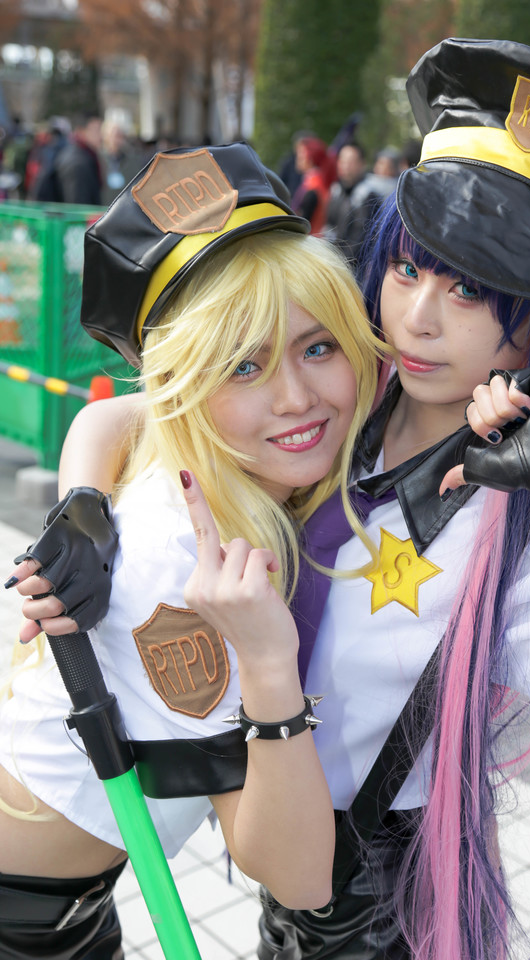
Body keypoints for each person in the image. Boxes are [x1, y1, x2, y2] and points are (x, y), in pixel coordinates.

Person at [9, 39, 530, 959]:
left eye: (472, 289)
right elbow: (145, 411)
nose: (419, 317)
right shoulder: (340, 390)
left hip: (377, 907)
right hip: (267, 875)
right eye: (408, 268)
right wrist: (82, 504)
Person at [0, 141, 382, 960]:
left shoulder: (210, 460)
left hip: (59, 900)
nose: (296, 397)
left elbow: (115, 415)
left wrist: (82, 501)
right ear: (189, 386)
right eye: (243, 366)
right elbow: (298, 877)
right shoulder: (188, 557)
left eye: (318, 347)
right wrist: (269, 666)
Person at [53, 111, 103, 206]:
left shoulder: (83, 155)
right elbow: (78, 205)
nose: (101, 135)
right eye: (97, 130)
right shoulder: (78, 163)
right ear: (81, 131)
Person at [290, 136, 335, 235]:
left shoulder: (313, 186)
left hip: (311, 236)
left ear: (310, 158)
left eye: (301, 153)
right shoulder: (313, 181)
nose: (298, 157)